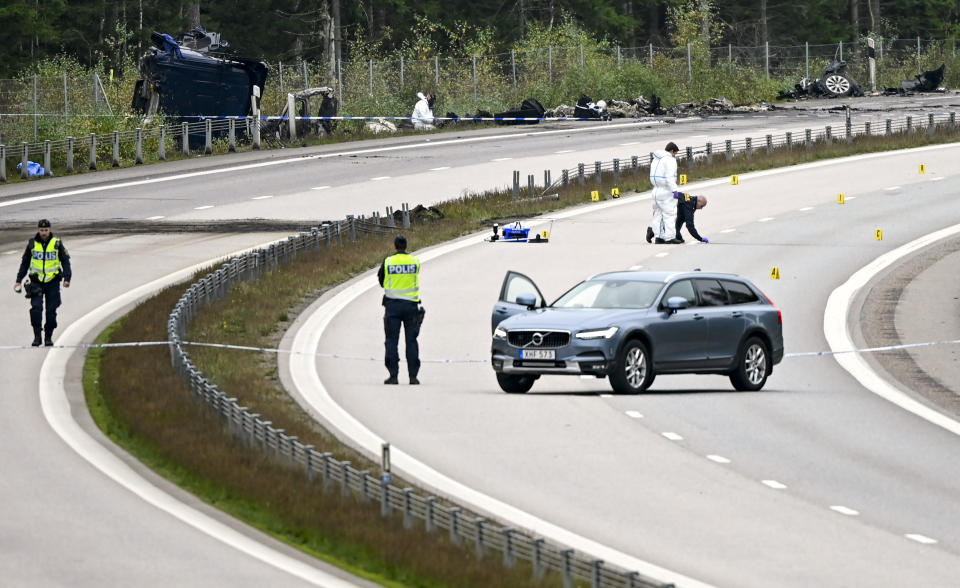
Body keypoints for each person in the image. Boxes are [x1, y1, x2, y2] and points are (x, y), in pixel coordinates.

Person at [13, 219, 72, 347]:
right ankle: (37, 336)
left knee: (51, 311)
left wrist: (67, 278)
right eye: (41, 230)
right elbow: (25, 263)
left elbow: (65, 261)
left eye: (46, 230)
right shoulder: (32, 244)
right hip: (36, 282)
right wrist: (18, 280)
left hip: (52, 282)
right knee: (36, 309)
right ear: (38, 230)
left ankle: (48, 337)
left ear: (50, 230)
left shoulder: (57, 243)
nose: (44, 232)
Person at [377, 235, 422, 385]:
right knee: (412, 341)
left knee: (391, 341)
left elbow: (381, 281)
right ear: (406, 246)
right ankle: (413, 377)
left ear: (395, 246)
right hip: (411, 306)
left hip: (393, 307)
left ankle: (393, 375)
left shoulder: (388, 262)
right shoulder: (415, 261)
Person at [647, 142, 684, 244]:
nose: (674, 155)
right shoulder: (670, 160)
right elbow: (670, 177)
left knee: (657, 215)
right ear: (672, 151)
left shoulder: (656, 159)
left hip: (655, 191)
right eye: (675, 153)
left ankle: (659, 237)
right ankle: (670, 237)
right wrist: (674, 190)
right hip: (666, 191)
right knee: (669, 214)